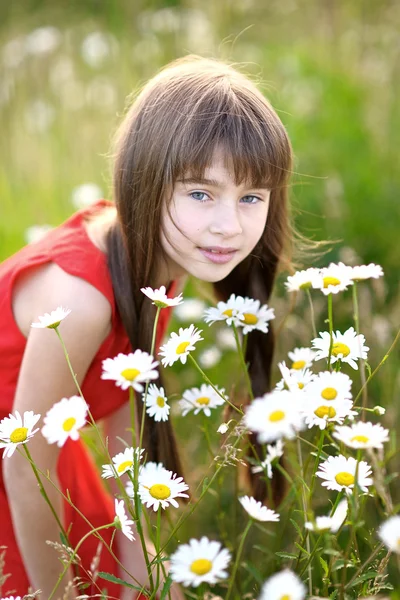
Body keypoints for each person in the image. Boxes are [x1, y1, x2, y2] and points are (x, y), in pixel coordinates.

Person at [0, 54, 293, 598]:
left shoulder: (161, 256)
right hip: (21, 474)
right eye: (201, 193)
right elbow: (23, 470)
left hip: (40, 463)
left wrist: (143, 562)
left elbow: (118, 425)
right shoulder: (82, 302)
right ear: (145, 182)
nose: (228, 226)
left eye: (250, 197)